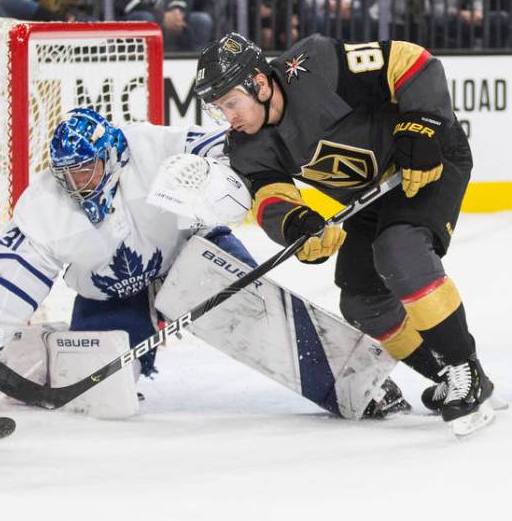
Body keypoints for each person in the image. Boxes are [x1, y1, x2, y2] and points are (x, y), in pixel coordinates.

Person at [195, 32, 504, 437]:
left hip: (427, 160)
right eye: (218, 108)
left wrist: (423, 123)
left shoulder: (315, 65)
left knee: (400, 250)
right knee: (363, 302)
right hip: (372, 194)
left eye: (230, 102)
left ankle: (467, 372)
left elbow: (413, 61)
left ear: (259, 81)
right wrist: (296, 224)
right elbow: (271, 198)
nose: (227, 116)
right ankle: (450, 373)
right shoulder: (246, 146)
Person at [0, 107, 254, 394]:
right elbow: (8, 282)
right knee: (101, 386)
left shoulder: (149, 147)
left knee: (252, 306)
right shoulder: (46, 206)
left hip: (188, 261)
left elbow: (218, 146)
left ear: (110, 155)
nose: (78, 184)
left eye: (86, 169)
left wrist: (219, 176)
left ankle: (257, 300)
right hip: (111, 296)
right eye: (68, 174)